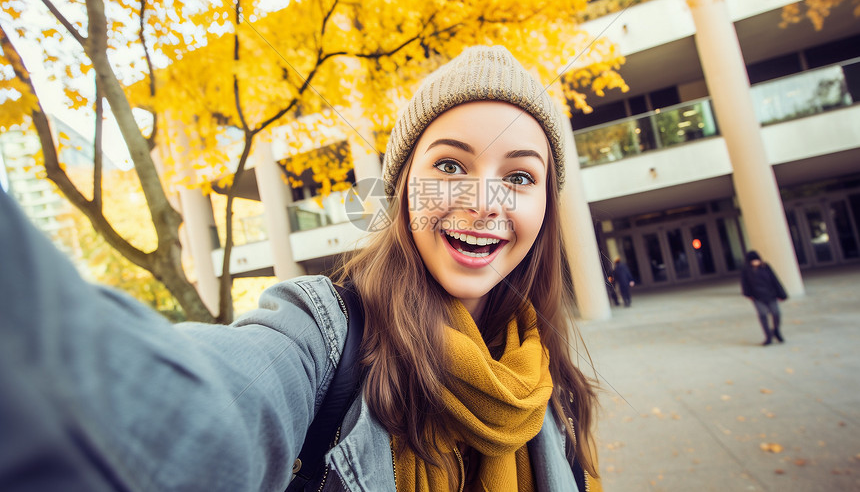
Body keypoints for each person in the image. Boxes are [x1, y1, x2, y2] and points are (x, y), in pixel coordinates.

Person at [0, 45, 601, 492]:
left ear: (545, 205)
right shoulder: (322, 334)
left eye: (519, 177)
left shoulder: (546, 378)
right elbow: (207, 410)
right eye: (449, 166)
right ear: (400, 192)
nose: (482, 201)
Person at [740, 250, 788, 346]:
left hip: (771, 294)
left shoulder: (766, 267)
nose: (755, 262)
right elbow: (744, 283)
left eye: (756, 260)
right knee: (763, 315)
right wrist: (748, 295)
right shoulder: (746, 270)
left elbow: (775, 280)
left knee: (776, 313)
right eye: (753, 260)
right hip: (757, 297)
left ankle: (776, 330)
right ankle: (768, 336)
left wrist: (781, 294)